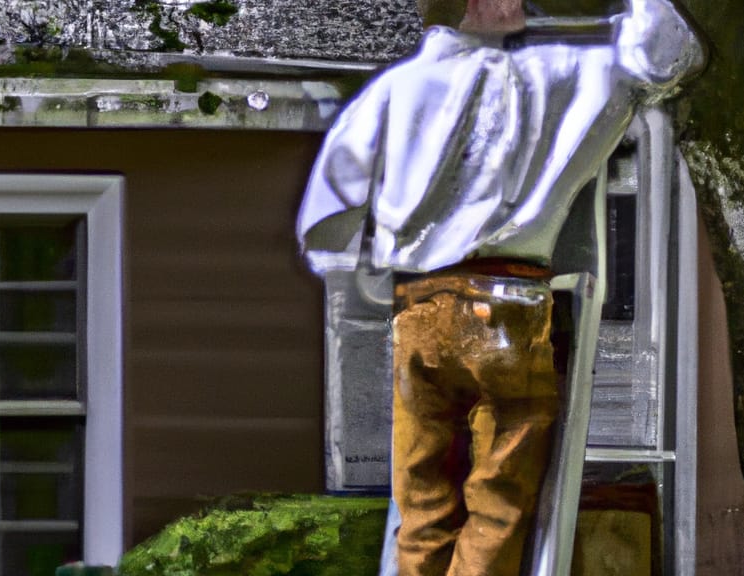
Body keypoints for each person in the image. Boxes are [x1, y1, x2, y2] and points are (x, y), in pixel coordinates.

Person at [296, 1, 703, 575]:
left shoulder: (395, 88)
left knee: (422, 504)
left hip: (417, 308)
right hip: (507, 305)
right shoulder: (547, 75)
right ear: (474, 6)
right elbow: (662, 53)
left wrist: (366, 283)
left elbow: (326, 222)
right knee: (499, 501)